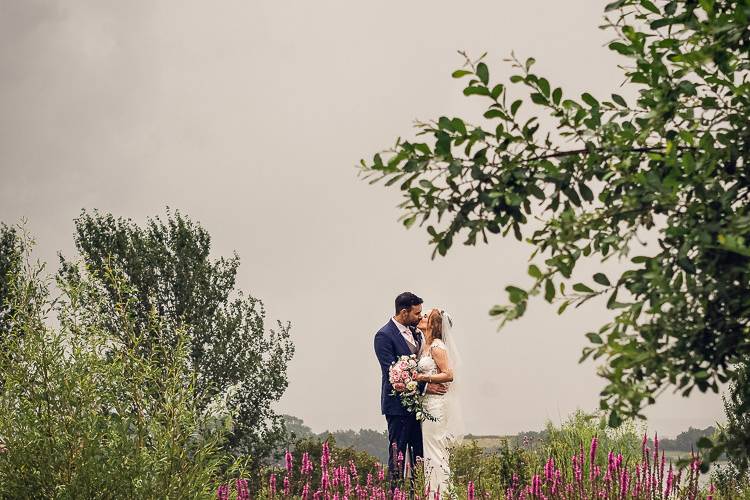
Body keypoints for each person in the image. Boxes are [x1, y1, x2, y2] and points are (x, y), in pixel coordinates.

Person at [373, 292, 447, 487]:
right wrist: (425, 385)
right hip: (397, 408)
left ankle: (418, 492)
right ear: (404, 312)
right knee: (398, 455)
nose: (419, 317)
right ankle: (394, 492)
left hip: (419, 409)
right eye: (417, 314)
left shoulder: (416, 332)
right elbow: (392, 373)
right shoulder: (384, 336)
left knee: (419, 456)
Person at [415, 308, 464, 496]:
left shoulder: (436, 346)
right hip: (427, 404)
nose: (421, 317)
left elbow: (448, 374)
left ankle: (442, 494)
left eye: (426, 316)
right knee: (431, 451)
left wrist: (422, 377)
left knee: (436, 450)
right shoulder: (425, 345)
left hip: (435, 406)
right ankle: (433, 493)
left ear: (434, 325)